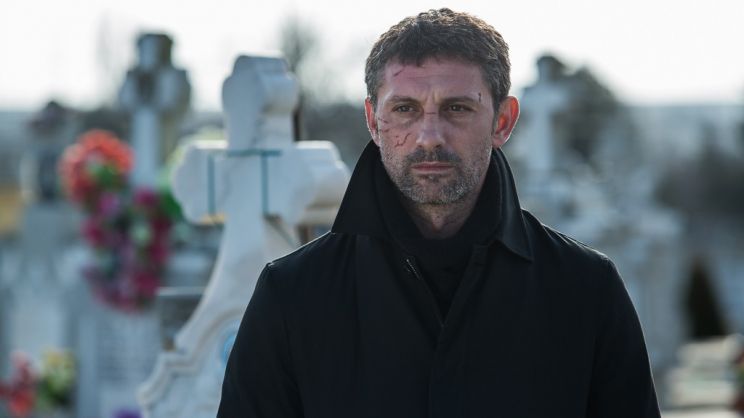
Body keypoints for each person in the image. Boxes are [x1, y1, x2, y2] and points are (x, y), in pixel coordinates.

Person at [217, 8, 661, 418]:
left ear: (503, 121)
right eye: (405, 109)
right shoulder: (292, 295)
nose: (429, 136)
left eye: (457, 108)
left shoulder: (585, 289)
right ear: (373, 121)